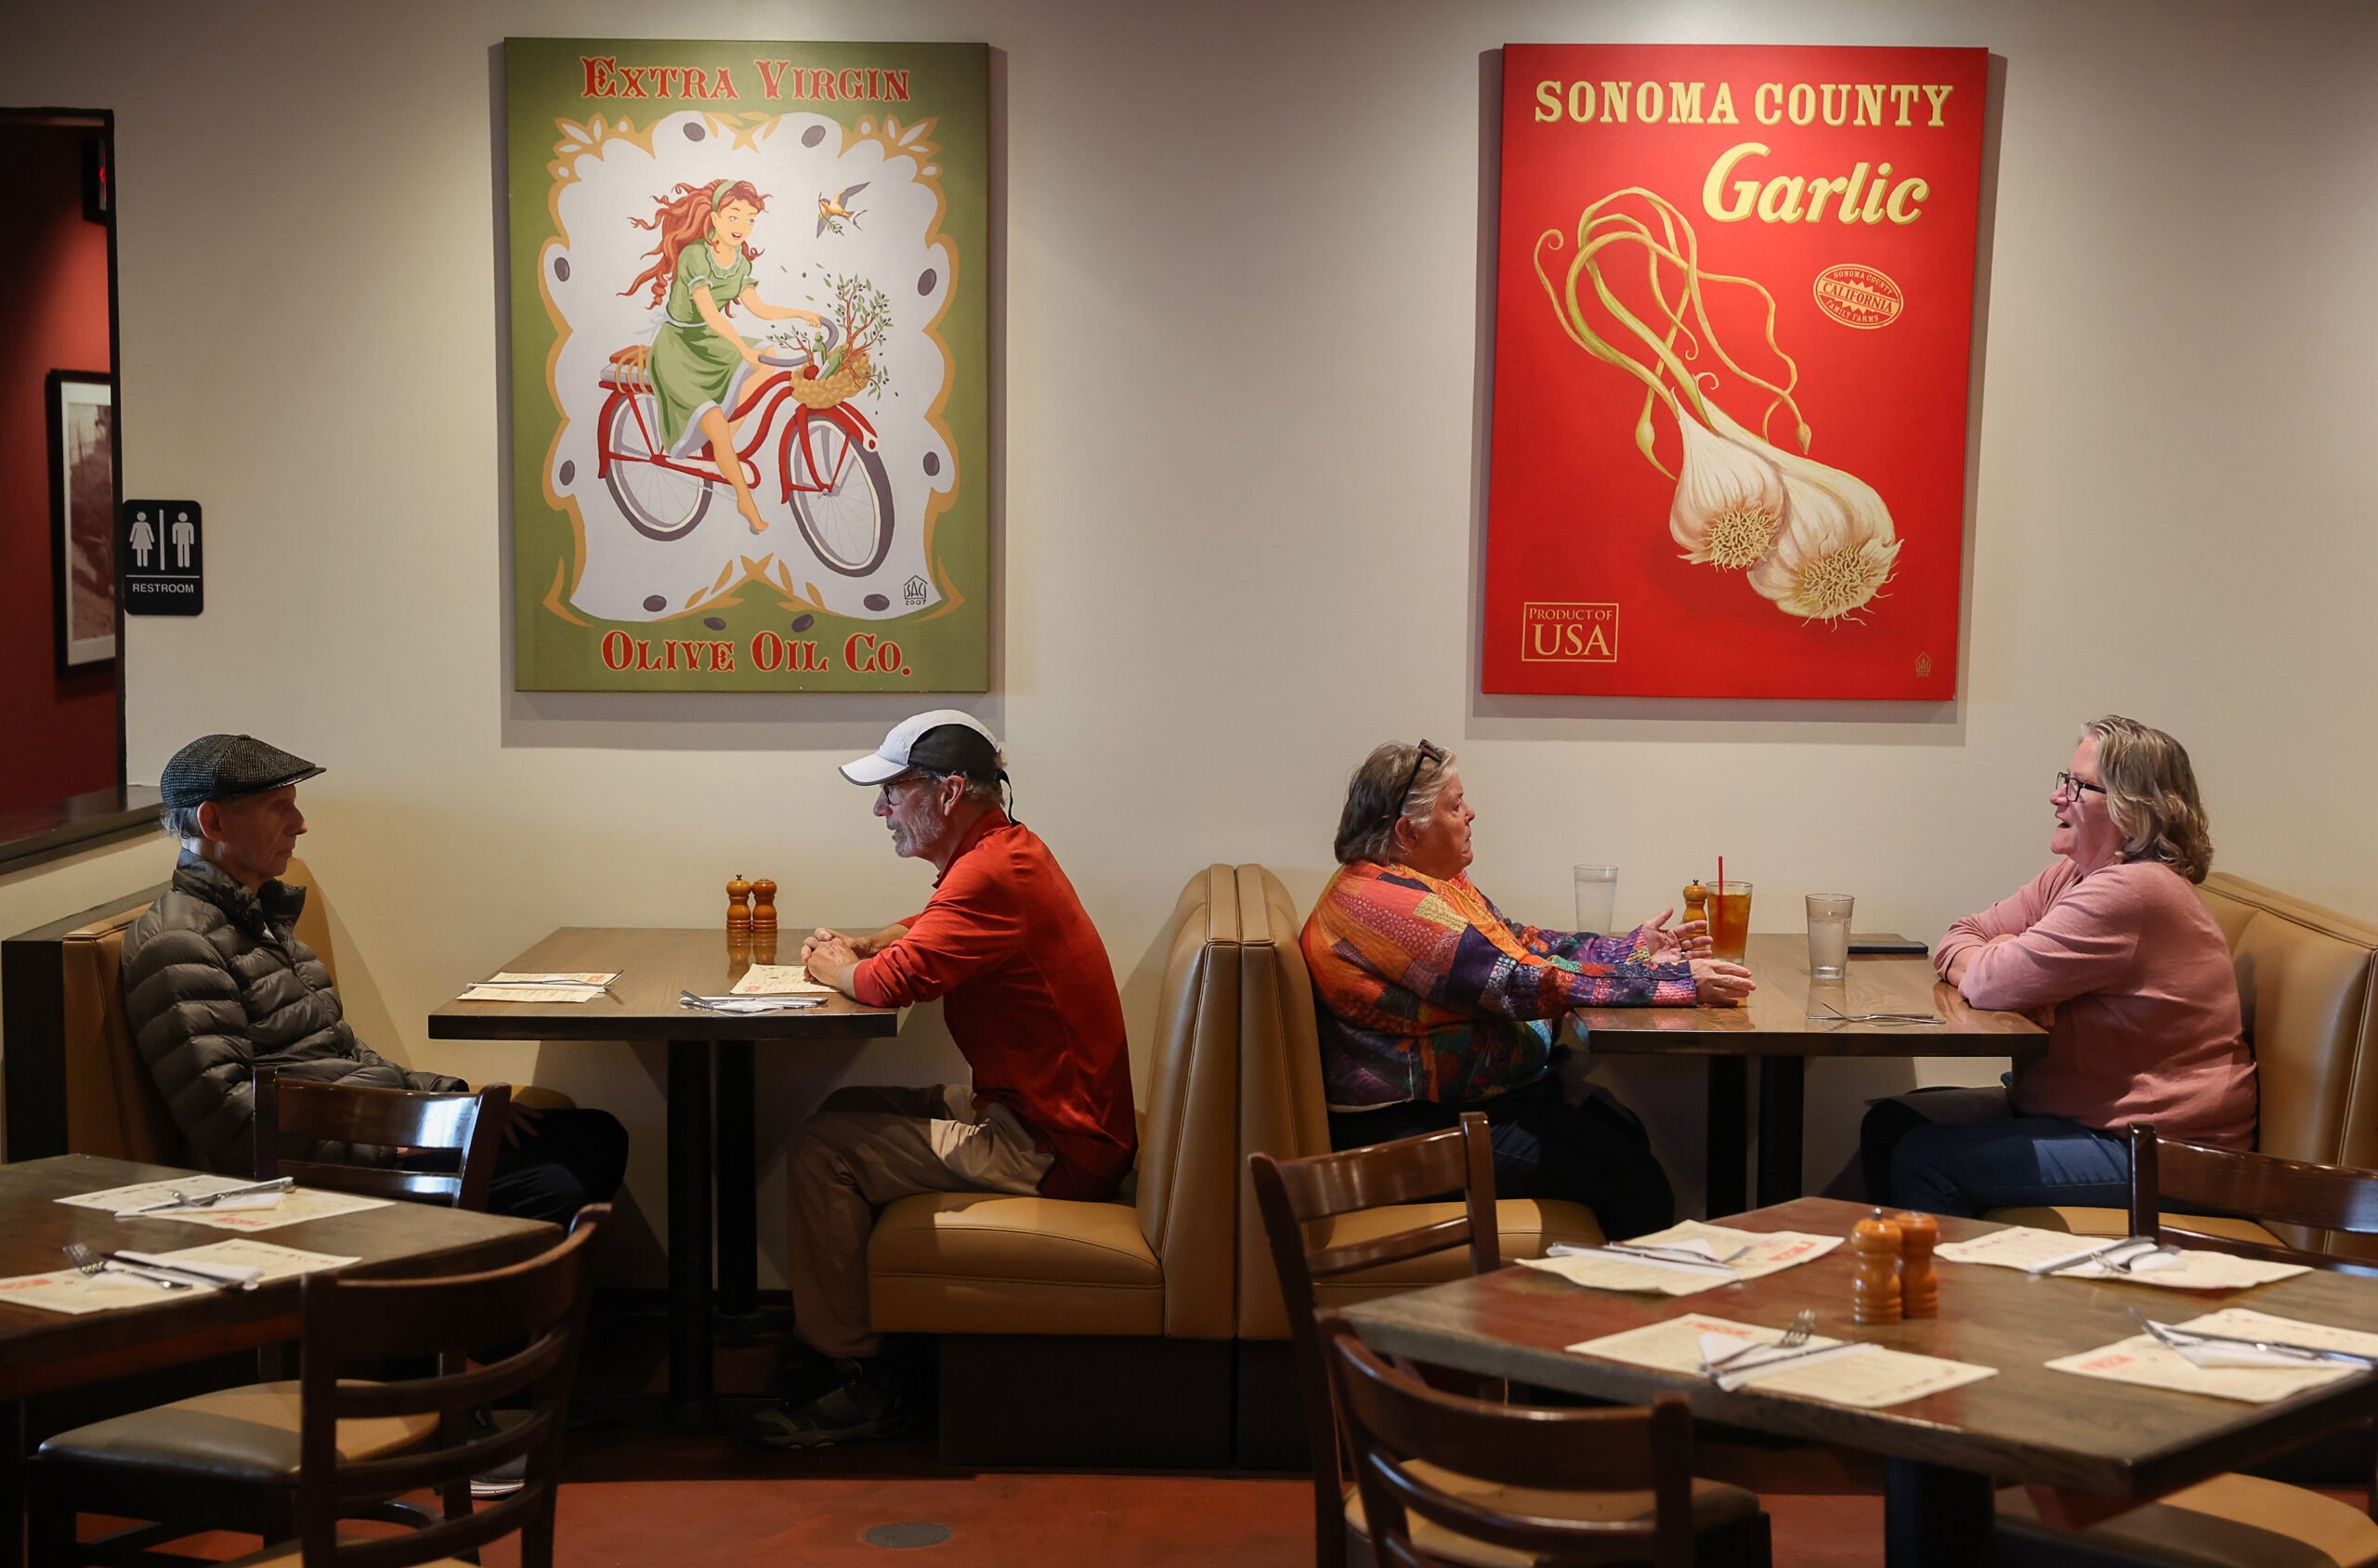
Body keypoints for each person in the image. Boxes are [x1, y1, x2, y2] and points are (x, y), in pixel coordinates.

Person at [752, 711, 1137, 1450]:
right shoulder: (1004, 853)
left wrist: (837, 965)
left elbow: (893, 983)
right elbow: (933, 923)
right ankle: (854, 1348)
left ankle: (855, 1380)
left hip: (1051, 1145)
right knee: (847, 1109)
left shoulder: (992, 870)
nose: (879, 810)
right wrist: (866, 942)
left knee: (824, 1148)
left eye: (893, 792)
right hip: (1048, 1116)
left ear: (950, 791)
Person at [120, 735, 630, 1229]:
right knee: (557, 1183)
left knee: (594, 1136)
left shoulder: (262, 915)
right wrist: (393, 1137)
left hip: (362, 1133)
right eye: (279, 807)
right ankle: (448, 1310)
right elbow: (228, 1118)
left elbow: (341, 1052)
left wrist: (448, 1102)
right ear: (213, 820)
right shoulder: (179, 943)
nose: (301, 825)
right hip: (326, 1171)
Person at [1302, 741, 1756, 1242]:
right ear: (1408, 832)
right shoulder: (1383, 905)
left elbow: (1521, 943)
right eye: (1454, 806)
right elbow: (1517, 982)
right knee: (1630, 1179)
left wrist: (1632, 950)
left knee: (1618, 1127)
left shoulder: (1428, 881)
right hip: (1415, 1132)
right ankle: (1618, 1315)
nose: (1471, 813)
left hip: (1471, 1108)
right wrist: (1676, 985)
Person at [1863, 715, 2252, 1218]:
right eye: (2063, 780)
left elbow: (1990, 982)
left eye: (2079, 786)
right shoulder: (2073, 876)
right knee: (1893, 1124)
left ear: (2133, 809)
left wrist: (2008, 966)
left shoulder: (2133, 891)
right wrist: (2009, 957)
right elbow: (1958, 937)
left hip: (2164, 1149)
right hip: (2078, 1115)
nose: (2057, 797)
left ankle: (1945, 1295)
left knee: (1926, 1159)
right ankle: (1900, 1285)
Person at [621, 177, 823, 533]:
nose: (742, 227)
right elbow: (711, 313)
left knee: (769, 354)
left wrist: (801, 314)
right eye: (734, 217)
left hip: (711, 343)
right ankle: (745, 498)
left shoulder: (740, 259)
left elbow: (757, 307)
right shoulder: (694, 256)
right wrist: (742, 348)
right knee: (715, 412)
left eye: (749, 220)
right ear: (714, 218)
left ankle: (721, 442)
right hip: (679, 346)